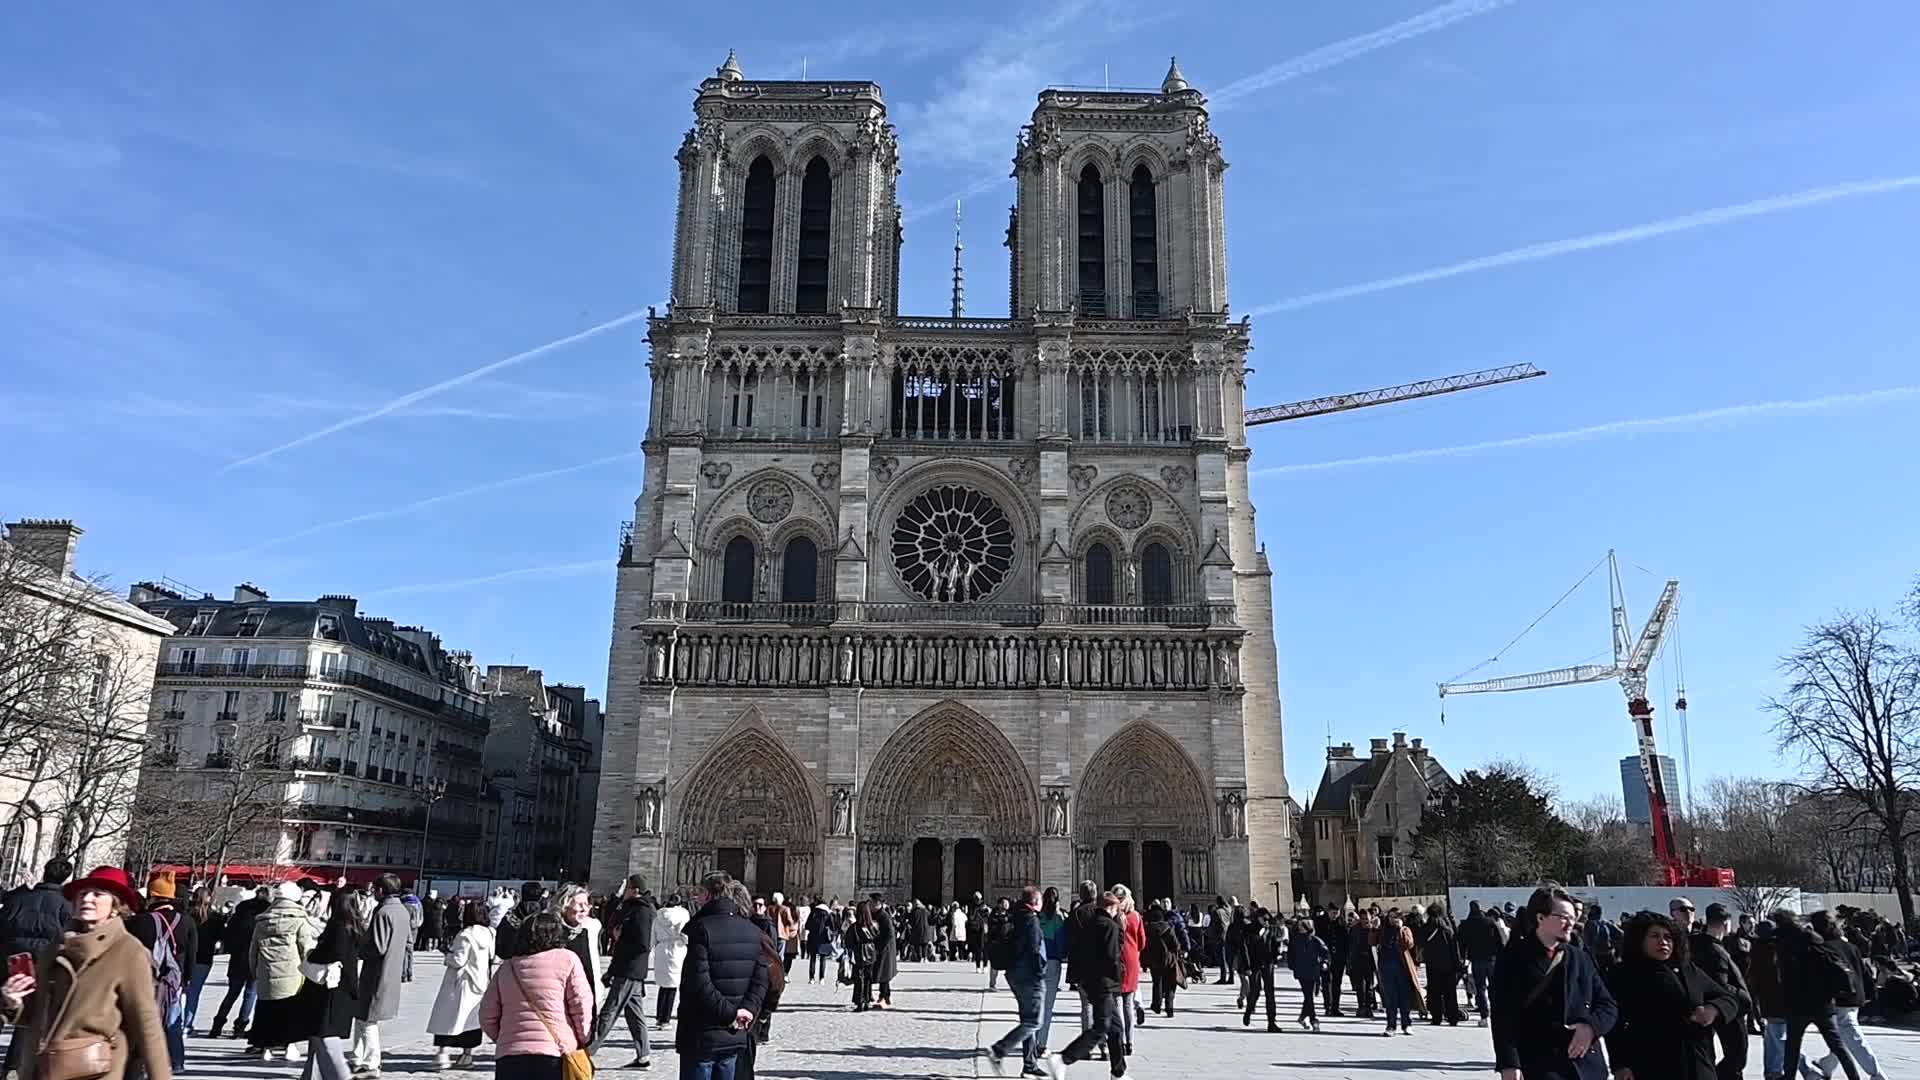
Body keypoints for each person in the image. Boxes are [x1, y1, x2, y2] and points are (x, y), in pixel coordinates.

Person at [0, 865, 171, 1080]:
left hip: (93, 1071)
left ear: (116, 906)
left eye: (98, 894)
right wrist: (13, 1001)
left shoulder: (128, 951)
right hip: (41, 1069)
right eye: (82, 893)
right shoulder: (57, 946)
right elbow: (36, 1012)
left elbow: (147, 1025)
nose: (87, 899)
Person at [1490, 885, 1617, 1080]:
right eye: (1563, 918)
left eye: (1573, 918)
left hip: (1585, 1066)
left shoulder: (1580, 958)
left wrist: (1591, 1027)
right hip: (1540, 1064)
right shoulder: (1513, 958)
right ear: (1540, 918)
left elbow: (1607, 1005)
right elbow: (1503, 1015)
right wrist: (1509, 1063)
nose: (1570, 924)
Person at [1604, 909, 1738, 1080]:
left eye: (1668, 937)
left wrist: (1714, 1009)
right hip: (1650, 1065)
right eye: (1654, 936)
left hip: (1697, 1063)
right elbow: (1614, 1026)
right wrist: (1620, 1065)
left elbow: (1728, 998)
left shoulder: (1688, 970)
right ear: (1640, 940)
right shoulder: (1623, 974)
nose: (1663, 942)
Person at [675, 872, 769, 1080]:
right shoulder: (753, 931)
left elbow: (699, 983)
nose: (696, 898)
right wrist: (747, 1010)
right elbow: (761, 979)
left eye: (699, 893)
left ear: (708, 895)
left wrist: (731, 1014)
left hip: (702, 1033)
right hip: (734, 1035)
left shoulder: (701, 929)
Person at [481, 911, 593, 1080]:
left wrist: (506, 1036)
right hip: (555, 1051)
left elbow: (486, 1015)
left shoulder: (507, 968)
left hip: (510, 1054)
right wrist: (583, 1036)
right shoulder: (568, 959)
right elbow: (581, 1004)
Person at [1772, 910, 1863, 1080]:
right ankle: (1854, 1077)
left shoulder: (1782, 944)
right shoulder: (1814, 941)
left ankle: (1789, 1077)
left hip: (1796, 1004)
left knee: (1793, 1047)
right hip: (1823, 1003)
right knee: (1837, 1046)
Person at [125, 870, 197, 1073]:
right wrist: (186, 979)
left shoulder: (141, 921)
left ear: (152, 896)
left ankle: (142, 1061)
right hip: (174, 980)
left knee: (145, 1020)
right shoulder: (187, 921)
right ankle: (177, 1061)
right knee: (173, 1020)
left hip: (145, 979)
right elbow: (192, 953)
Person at [295, 887, 365, 1080]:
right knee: (317, 1035)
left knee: (325, 1037)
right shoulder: (355, 925)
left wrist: (313, 954)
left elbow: (335, 952)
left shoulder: (339, 926)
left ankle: (340, 1076)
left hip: (330, 988)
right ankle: (311, 1075)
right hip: (340, 986)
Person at [1806, 910, 1883, 1080]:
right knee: (1844, 1035)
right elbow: (1863, 972)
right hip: (1855, 995)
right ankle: (1827, 1065)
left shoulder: (1823, 948)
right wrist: (1870, 992)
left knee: (1852, 1037)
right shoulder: (1849, 946)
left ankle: (1876, 1073)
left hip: (1839, 998)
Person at [1057, 890, 1125, 1080]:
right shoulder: (1110, 925)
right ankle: (1064, 1058)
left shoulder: (1088, 924)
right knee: (1102, 1026)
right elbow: (1113, 958)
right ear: (1111, 907)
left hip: (1090, 981)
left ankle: (1118, 1072)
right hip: (1105, 983)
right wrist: (1118, 981)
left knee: (1116, 1028)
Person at [250, 880, 320, 1061]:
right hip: (292, 972)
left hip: (266, 971)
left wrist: (254, 971)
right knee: (290, 1010)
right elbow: (305, 947)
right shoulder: (298, 919)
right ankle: (290, 1046)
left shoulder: (262, 920)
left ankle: (266, 1047)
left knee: (267, 1010)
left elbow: (253, 950)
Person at [593, 875, 657, 1069]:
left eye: (627, 887)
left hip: (630, 968)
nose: (624, 891)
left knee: (609, 1011)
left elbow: (644, 943)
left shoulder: (643, 911)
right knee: (634, 1013)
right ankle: (643, 1054)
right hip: (627, 967)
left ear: (635, 889)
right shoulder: (634, 908)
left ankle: (586, 1052)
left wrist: (621, 936)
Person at [986, 885, 1048, 1077]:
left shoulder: (1016, 916)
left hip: (1015, 973)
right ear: (1036, 902)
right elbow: (1035, 950)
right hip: (1028, 975)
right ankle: (1000, 1049)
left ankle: (1029, 1064)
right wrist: (1040, 972)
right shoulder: (1031, 920)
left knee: (1026, 1019)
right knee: (1034, 1022)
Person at [352, 873, 410, 1077]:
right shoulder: (402, 910)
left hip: (377, 972)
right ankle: (358, 1056)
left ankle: (371, 1062)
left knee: (368, 1019)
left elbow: (378, 945)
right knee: (362, 1017)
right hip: (391, 971)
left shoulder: (383, 912)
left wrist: (359, 946)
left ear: (380, 890)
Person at [428, 901, 496, 1070]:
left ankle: (442, 1053)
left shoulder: (465, 934)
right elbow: (492, 956)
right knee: (471, 1020)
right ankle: (467, 1055)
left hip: (460, 982)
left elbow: (458, 960)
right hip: (480, 982)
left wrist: (447, 954)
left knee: (448, 1017)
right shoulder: (489, 933)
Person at [1687, 903, 1751, 1080]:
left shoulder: (1697, 944)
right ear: (1726, 922)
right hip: (1726, 1008)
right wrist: (1742, 995)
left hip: (1710, 1006)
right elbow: (1719, 983)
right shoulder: (1714, 950)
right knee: (1737, 1056)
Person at [208, 885, 269, 1037]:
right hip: (256, 959)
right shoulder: (267, 914)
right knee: (250, 994)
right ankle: (240, 1027)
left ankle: (218, 1024)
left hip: (238, 958)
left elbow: (228, 934)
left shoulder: (241, 912)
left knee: (232, 993)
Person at [552, 884, 605, 1012]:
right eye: (579, 904)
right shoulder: (552, 931)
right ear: (564, 906)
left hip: (587, 995)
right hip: (559, 997)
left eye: (586, 904)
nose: (584, 909)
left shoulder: (591, 928)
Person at [183, 886, 223, 1036]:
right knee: (195, 992)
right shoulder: (215, 917)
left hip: (186, 956)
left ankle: (177, 1021)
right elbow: (220, 937)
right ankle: (187, 1023)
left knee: (182, 991)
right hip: (204, 957)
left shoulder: (187, 915)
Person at [1037, 887, 1069, 1061]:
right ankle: (1041, 1045)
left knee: (1036, 1004)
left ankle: (1032, 1042)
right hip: (1053, 962)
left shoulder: (1038, 917)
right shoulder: (1059, 918)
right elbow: (1062, 944)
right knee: (1048, 1007)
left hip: (1037, 963)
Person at [1459, 900, 1501, 1027]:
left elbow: (1462, 944)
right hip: (1492, 959)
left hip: (1476, 960)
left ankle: (1484, 1016)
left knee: (1480, 988)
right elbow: (1498, 941)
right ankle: (1498, 1013)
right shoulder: (1489, 922)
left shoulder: (1466, 924)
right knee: (1495, 987)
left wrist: (1463, 958)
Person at [1420, 903, 1463, 1026]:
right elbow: (1454, 949)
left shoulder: (1426, 928)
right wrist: (1458, 964)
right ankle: (1452, 1017)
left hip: (1432, 966)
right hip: (1448, 966)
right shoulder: (1447, 930)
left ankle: (1436, 1016)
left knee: (1434, 992)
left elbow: (1421, 943)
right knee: (1450, 993)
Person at [1240, 908, 1282, 1033]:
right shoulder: (1248, 930)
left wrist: (1275, 958)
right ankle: (1249, 1010)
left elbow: (1274, 944)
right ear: (1258, 918)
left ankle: (1271, 1022)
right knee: (1255, 990)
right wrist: (1246, 967)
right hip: (1254, 964)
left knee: (1270, 993)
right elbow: (1244, 949)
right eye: (1264, 919)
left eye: (1268, 919)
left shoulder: (1271, 929)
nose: (1266, 921)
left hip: (1267, 963)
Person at [653, 893, 691, 1028]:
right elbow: (685, 934)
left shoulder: (658, 915)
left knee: (663, 985)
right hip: (676, 949)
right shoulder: (683, 914)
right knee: (673, 986)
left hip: (661, 949)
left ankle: (659, 1017)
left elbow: (653, 935)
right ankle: (665, 1019)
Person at [1289, 917, 1330, 1032]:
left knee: (1308, 996)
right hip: (1301, 971)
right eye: (1299, 926)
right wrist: (1292, 966)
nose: (1300, 928)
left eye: (1302, 926)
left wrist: (1324, 962)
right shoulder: (1296, 940)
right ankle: (1313, 1019)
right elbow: (1291, 954)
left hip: (1313, 971)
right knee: (1308, 995)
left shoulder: (1315, 940)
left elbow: (1325, 952)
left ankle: (1305, 1017)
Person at [1141, 902, 1181, 1019]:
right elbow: (1175, 944)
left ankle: (1157, 1005)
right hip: (1168, 959)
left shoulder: (1148, 929)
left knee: (1157, 982)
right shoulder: (1168, 927)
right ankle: (1169, 1008)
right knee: (1170, 983)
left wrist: (1144, 960)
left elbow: (1145, 945)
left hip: (1154, 960)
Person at [495, 882, 548, 959]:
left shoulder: (510, 917)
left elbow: (500, 946)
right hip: (539, 962)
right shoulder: (545, 919)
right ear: (540, 896)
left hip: (511, 962)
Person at [846, 901, 879, 1012]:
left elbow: (848, 942)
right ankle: (867, 999)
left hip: (858, 953)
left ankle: (859, 1001)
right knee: (868, 977)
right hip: (871, 953)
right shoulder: (873, 926)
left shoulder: (854, 927)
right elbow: (877, 938)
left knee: (859, 978)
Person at [1347, 910, 1379, 1019]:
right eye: (1363, 918)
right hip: (1358, 960)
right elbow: (1351, 946)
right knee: (1360, 986)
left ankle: (1368, 1007)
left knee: (1370, 986)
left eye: (1367, 918)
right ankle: (1361, 1007)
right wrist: (1350, 962)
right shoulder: (1355, 929)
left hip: (1370, 960)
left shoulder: (1373, 929)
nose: (1365, 920)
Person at [871, 892, 898, 1009]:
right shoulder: (878, 914)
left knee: (883, 974)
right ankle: (885, 997)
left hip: (885, 950)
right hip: (883, 948)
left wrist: (879, 947)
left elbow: (889, 934)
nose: (870, 905)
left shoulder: (884, 916)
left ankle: (884, 997)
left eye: (872, 902)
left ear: (879, 903)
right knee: (883, 974)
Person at [804, 897, 835, 983]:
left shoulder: (813, 912)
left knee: (813, 958)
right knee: (823, 958)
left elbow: (807, 925)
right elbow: (833, 927)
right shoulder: (828, 913)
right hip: (824, 938)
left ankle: (811, 978)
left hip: (813, 938)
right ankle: (822, 978)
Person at [987, 897, 1013, 990]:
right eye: (1004, 903)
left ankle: (1013, 984)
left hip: (1008, 943)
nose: (1006, 905)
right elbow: (992, 928)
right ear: (999, 904)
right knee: (995, 965)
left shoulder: (1010, 915)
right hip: (996, 943)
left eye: (1007, 903)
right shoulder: (994, 915)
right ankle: (992, 984)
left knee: (1010, 966)